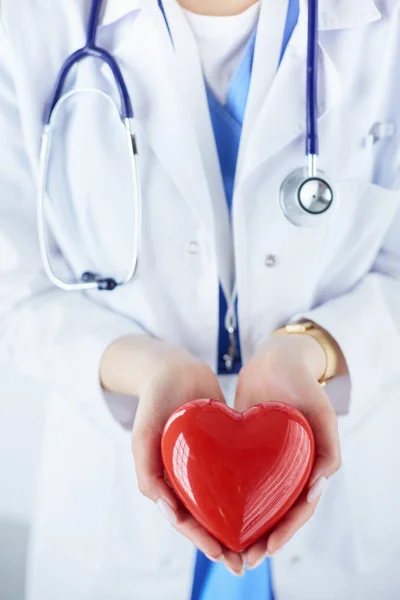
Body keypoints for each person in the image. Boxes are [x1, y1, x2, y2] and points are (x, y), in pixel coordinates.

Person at [0, 0, 399, 599]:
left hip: (345, 538)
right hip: (112, 535)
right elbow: (15, 285)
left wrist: (310, 349)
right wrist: (146, 365)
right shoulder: (28, 22)